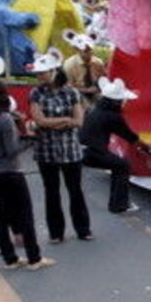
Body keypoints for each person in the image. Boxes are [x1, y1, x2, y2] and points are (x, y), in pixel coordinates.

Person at [0, 77, 53, 270]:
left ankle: (10, 259)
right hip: (11, 171)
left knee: (1, 215)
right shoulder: (4, 118)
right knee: (24, 214)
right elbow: (11, 150)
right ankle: (34, 258)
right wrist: (30, 139)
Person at [28, 49, 92, 243]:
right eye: (38, 74)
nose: (39, 77)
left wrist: (53, 122)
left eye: (42, 73)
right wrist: (65, 120)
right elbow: (39, 121)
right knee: (51, 192)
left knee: (75, 191)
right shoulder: (35, 93)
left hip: (70, 150)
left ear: (54, 71)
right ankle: (56, 233)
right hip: (45, 151)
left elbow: (79, 121)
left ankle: (83, 229)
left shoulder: (71, 92)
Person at [79, 77, 143, 214]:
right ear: (116, 102)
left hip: (80, 150)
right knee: (123, 165)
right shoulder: (113, 116)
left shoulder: (94, 108)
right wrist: (146, 146)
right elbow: (129, 135)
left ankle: (117, 203)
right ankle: (119, 205)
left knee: (117, 165)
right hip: (92, 152)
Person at [62, 29, 107, 106]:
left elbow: (102, 79)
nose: (89, 53)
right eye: (85, 50)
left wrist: (98, 88)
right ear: (77, 49)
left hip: (95, 91)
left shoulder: (98, 62)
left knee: (104, 102)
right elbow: (67, 87)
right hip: (77, 92)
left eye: (90, 50)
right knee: (87, 106)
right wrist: (86, 90)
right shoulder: (69, 65)